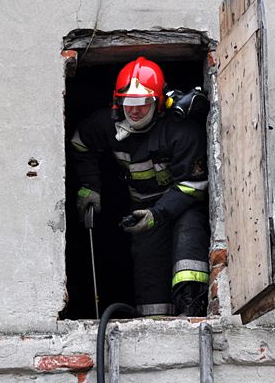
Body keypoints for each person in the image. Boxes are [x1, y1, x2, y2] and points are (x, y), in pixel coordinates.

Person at [71, 56, 209, 317]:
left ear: (158, 102)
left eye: (143, 103)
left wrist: (158, 213)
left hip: (181, 205)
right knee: (149, 271)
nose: (134, 111)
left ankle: (192, 310)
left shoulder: (181, 131)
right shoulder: (106, 125)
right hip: (142, 209)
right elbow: (80, 142)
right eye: (128, 103)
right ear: (118, 102)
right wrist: (90, 185)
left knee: (188, 243)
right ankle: (154, 324)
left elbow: (194, 184)